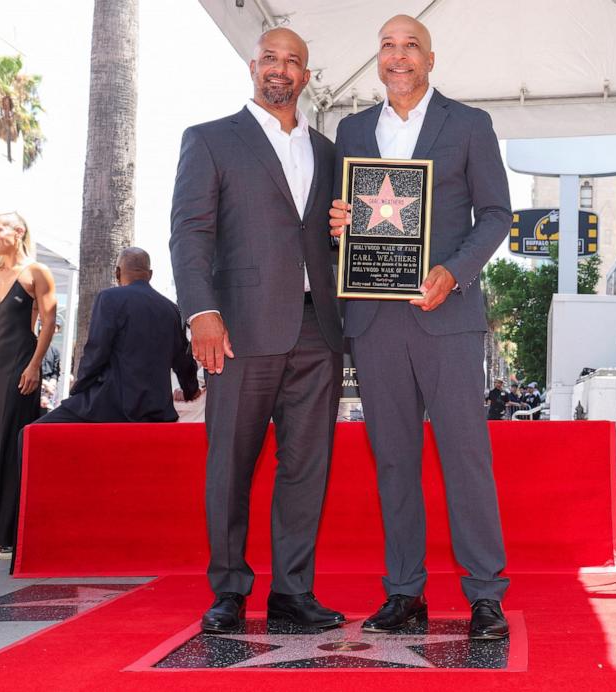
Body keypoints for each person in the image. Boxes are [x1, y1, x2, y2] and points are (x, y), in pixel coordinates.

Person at [328, 14, 510, 640]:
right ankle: (405, 591)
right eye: (387, 46)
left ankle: (486, 595)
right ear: (377, 59)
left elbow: (495, 214)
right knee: (394, 462)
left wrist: (454, 272)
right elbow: (338, 219)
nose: (398, 57)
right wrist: (337, 221)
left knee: (465, 457)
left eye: (410, 47)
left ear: (430, 59)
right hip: (374, 321)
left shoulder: (469, 125)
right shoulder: (350, 129)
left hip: (449, 317)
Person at [170, 27, 345, 633]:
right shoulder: (211, 140)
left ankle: (293, 593)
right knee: (231, 464)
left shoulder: (327, 152)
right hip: (238, 330)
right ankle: (229, 592)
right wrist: (201, 312)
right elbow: (190, 233)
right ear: (253, 66)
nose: (281, 69)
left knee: (307, 467)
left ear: (306, 75)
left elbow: (319, 238)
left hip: (317, 328)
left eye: (294, 61)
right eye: (271, 58)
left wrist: (342, 230)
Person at [28, 248, 200, 424]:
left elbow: (96, 352)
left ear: (117, 272)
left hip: (109, 404)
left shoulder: (109, 298)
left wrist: (78, 388)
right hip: (156, 410)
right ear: (150, 274)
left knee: (31, 432)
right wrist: (190, 388)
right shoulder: (170, 309)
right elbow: (183, 358)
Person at [0, 212, 56, 559]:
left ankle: (6, 532)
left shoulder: (35, 272)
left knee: (10, 444)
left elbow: (49, 322)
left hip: (18, 367)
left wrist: (35, 365)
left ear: (19, 231)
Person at [38, 319, 61, 415]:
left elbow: (56, 372)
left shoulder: (55, 351)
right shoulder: (32, 347)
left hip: (49, 392)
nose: (54, 332)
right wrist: (45, 385)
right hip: (36, 387)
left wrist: (51, 385)